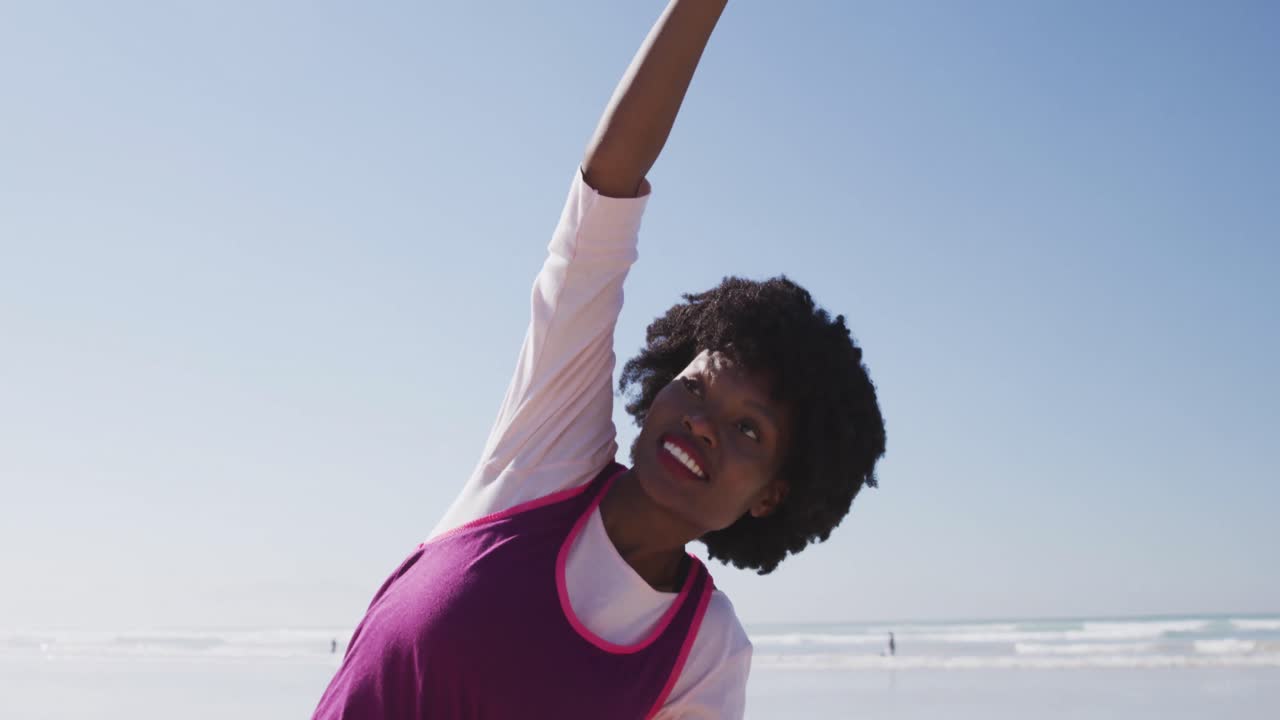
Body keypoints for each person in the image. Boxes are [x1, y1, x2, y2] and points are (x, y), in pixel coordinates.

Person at [312, 1, 885, 718]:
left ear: (773, 493)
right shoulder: (545, 452)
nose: (706, 424)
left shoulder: (706, 653)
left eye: (749, 431)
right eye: (699, 387)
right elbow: (604, 194)